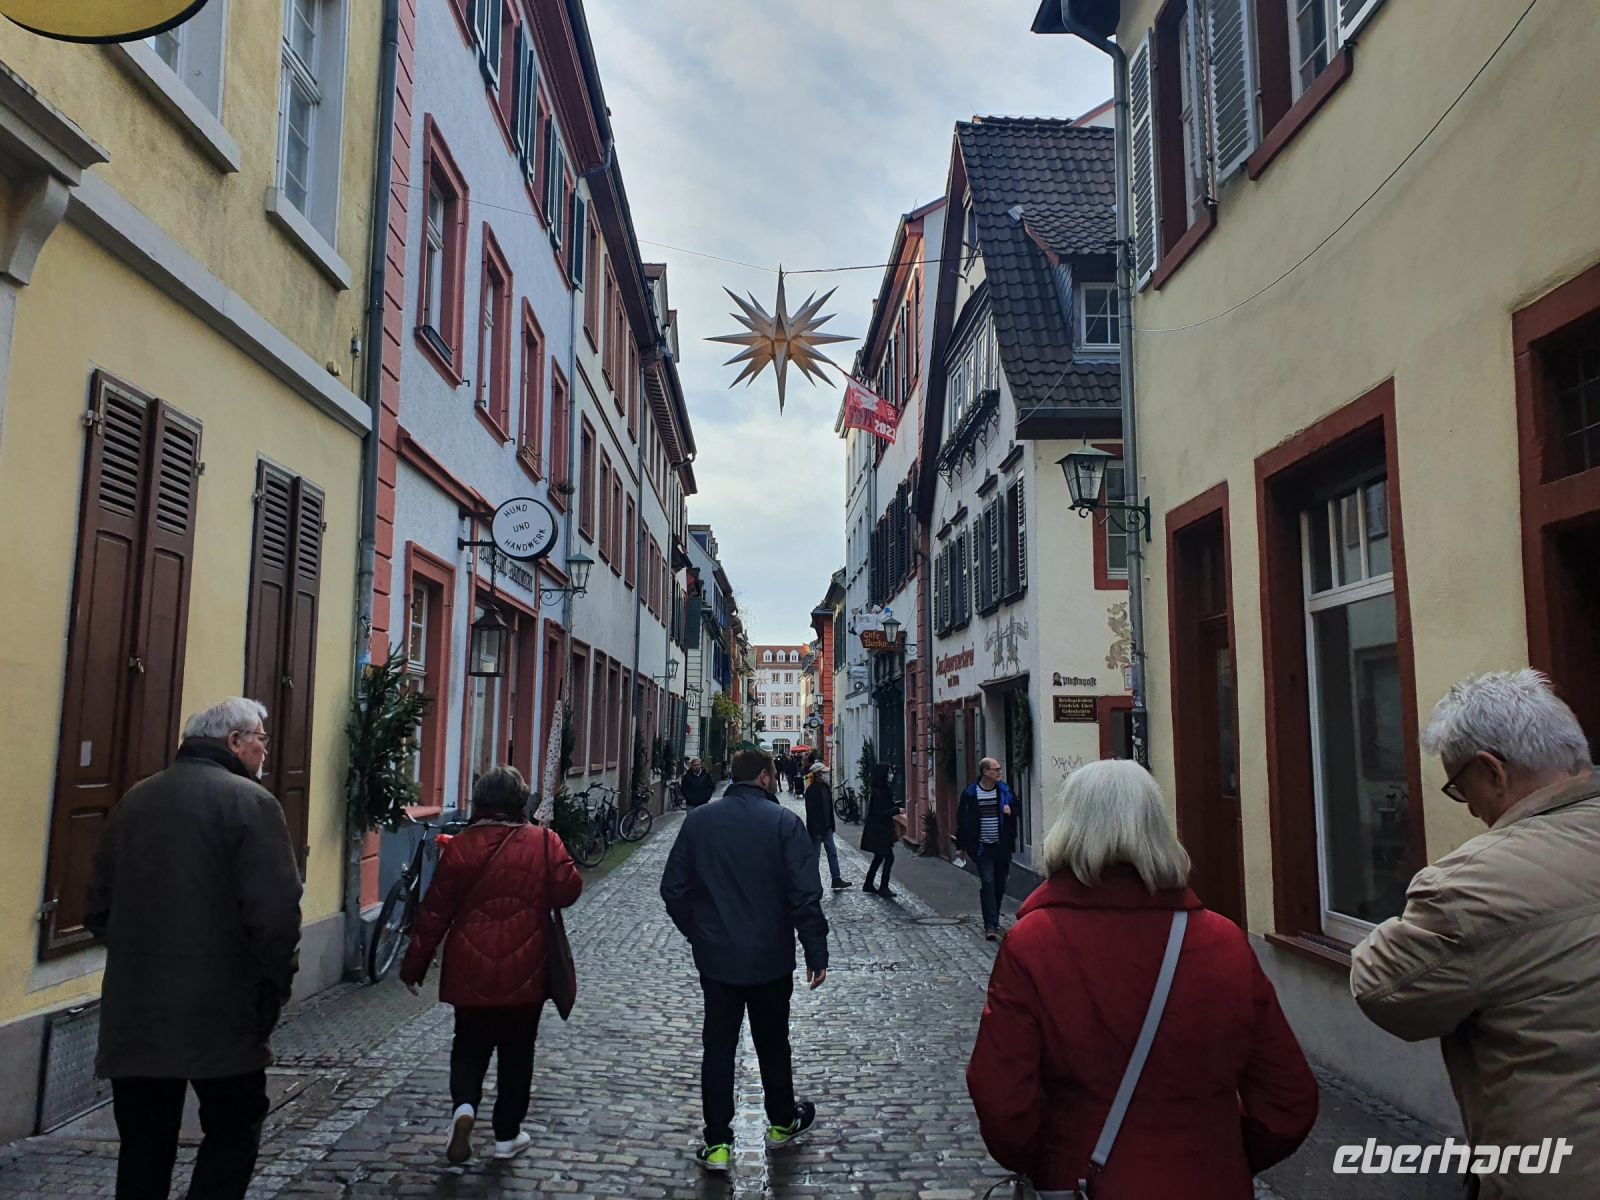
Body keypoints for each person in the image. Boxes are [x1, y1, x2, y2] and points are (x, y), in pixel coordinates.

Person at [968, 759, 1317, 1197]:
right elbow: (1289, 1098)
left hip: (1084, 1181)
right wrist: (1217, 1154)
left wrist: (1052, 1159)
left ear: (1069, 827)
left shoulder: (1033, 943)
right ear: (1157, 827)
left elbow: (1001, 1100)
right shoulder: (1222, 941)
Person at [1351, 670, 1600, 1199]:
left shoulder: (1468, 886)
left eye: (1459, 787)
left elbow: (1383, 992)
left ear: (1492, 771)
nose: (1467, 808)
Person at [86, 698, 302, 1200]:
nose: (265, 752)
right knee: (233, 1129)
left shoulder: (135, 800)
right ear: (235, 742)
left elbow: (96, 910)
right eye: (262, 740)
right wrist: (274, 988)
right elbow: (275, 915)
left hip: (135, 1011)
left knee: (143, 1148)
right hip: (222, 1011)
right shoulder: (252, 804)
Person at [399, 766, 582, 1164]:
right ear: (521, 801)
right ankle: (506, 1135)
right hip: (526, 967)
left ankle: (464, 1108)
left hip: (470, 967)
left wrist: (414, 966)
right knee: (518, 1052)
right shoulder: (543, 841)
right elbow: (568, 892)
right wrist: (551, 850)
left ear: (480, 801)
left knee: (468, 1045)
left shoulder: (461, 846)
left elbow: (434, 913)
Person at [661, 749, 828, 1173]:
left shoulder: (699, 822)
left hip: (717, 960)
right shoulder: (784, 824)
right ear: (766, 778)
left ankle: (717, 1142)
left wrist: (699, 934)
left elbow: (673, 890)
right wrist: (815, 950)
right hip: (770, 957)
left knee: (717, 1048)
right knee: (773, 1043)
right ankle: (781, 1122)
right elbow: (805, 894)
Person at [958, 758, 1018, 940]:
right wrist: (961, 846)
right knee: (988, 882)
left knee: (999, 885)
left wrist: (1011, 811)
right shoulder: (971, 794)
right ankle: (990, 924)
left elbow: (1017, 810)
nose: (1000, 772)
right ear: (985, 772)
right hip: (983, 848)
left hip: (1002, 846)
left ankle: (994, 917)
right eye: (996, 769)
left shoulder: (1005, 792)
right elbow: (962, 820)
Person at [803, 762, 851, 891]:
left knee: (832, 853)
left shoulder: (825, 787)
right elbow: (811, 813)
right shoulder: (811, 790)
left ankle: (836, 879)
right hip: (818, 829)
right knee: (815, 856)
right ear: (818, 774)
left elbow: (828, 809)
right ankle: (812, 882)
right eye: (823, 772)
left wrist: (832, 825)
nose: (826, 774)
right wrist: (815, 830)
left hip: (827, 827)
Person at [860, 763, 900, 897]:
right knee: (889, 857)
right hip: (879, 832)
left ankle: (869, 884)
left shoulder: (882, 789)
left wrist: (895, 806)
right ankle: (883, 887)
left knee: (879, 857)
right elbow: (879, 813)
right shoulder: (877, 792)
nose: (891, 775)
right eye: (889, 772)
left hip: (880, 831)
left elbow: (884, 807)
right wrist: (895, 810)